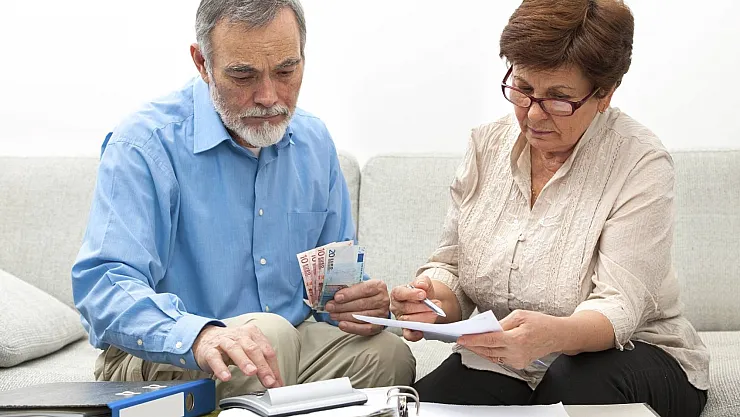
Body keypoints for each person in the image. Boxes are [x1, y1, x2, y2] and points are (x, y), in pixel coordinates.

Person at [72, 0, 414, 400]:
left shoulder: (314, 142)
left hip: (283, 344)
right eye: (243, 75)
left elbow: (331, 295)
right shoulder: (145, 144)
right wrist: (199, 335)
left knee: (386, 354)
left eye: (285, 71)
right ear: (203, 63)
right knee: (266, 338)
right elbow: (103, 286)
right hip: (171, 352)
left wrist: (362, 306)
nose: (268, 96)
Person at [390, 1, 709, 416]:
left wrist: (552, 336)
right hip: (510, 360)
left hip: (632, 354)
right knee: (422, 406)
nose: (533, 115)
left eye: (558, 98)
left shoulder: (639, 162)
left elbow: (619, 307)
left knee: (570, 389)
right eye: (523, 89)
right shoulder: (486, 145)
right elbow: (452, 269)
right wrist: (432, 301)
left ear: (605, 94)